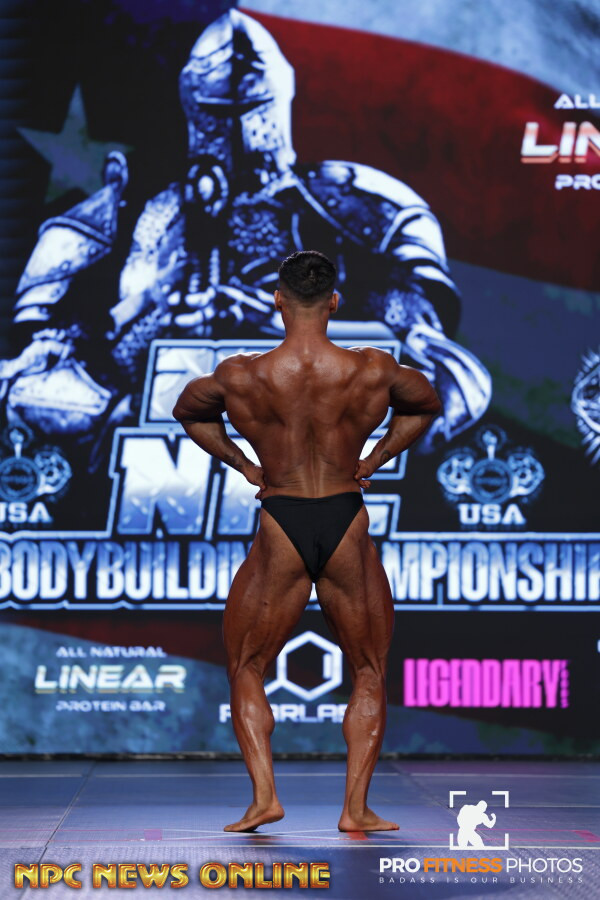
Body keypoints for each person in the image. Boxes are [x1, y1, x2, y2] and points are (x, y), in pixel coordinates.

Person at [173, 250, 441, 833]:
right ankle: (356, 809)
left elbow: (189, 410)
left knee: (248, 663)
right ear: (334, 302)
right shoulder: (371, 369)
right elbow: (425, 403)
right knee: (368, 667)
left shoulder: (243, 376)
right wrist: (375, 457)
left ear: (278, 299)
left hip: (281, 519)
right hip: (346, 517)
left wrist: (244, 464)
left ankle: (264, 798)